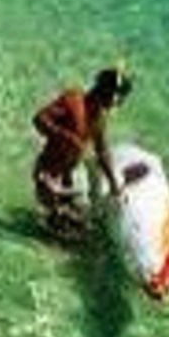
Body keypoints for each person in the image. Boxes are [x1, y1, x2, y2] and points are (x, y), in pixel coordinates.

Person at [31, 67, 132, 231]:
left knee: (86, 227)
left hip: (67, 179)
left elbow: (102, 152)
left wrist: (115, 185)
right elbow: (39, 119)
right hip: (47, 177)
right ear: (110, 95)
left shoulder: (99, 116)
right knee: (65, 230)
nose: (116, 105)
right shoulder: (73, 100)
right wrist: (63, 136)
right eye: (118, 100)